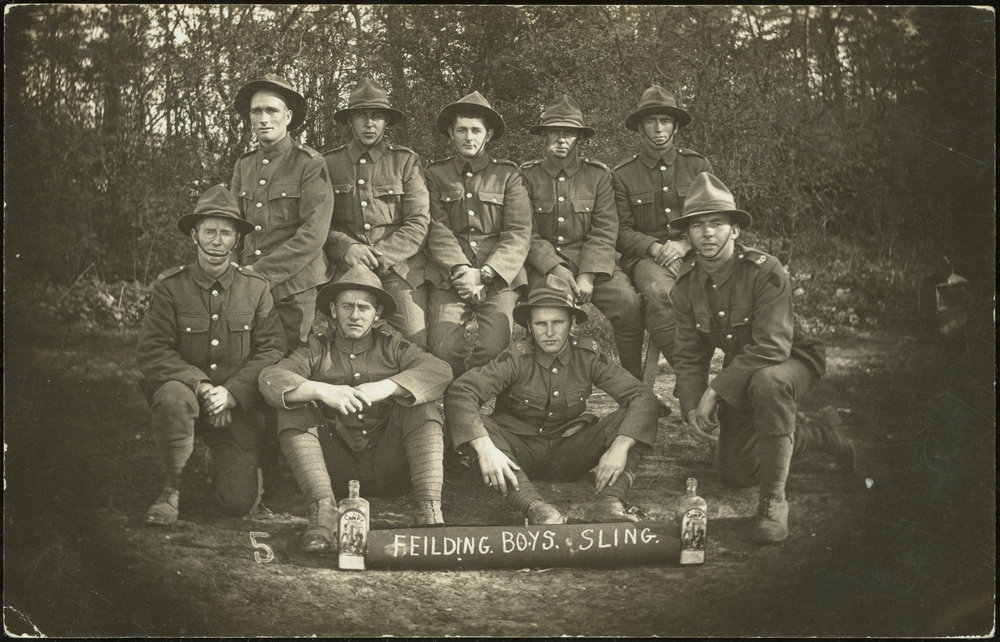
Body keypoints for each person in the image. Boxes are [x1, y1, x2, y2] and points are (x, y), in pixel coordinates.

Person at [669, 172, 854, 543]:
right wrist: (691, 407)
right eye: (698, 225)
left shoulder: (764, 269)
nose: (707, 233)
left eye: (717, 224)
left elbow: (772, 346)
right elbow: (689, 356)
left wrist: (715, 392)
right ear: (687, 234)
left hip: (792, 358)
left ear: (735, 230)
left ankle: (773, 501)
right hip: (745, 370)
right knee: (736, 472)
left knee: (769, 383)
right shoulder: (686, 286)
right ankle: (816, 433)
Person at [259, 265, 453, 552]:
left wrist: (388, 386)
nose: (355, 314)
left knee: (421, 407)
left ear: (377, 314)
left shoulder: (393, 346)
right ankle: (322, 513)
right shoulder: (317, 349)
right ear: (334, 311)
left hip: (388, 464)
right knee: (293, 404)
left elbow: (440, 370)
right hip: (335, 468)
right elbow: (270, 378)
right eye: (347, 306)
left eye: (364, 308)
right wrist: (321, 390)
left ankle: (429, 512)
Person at [445, 275, 659, 525]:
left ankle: (609, 502)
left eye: (557, 323)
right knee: (478, 427)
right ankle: (535, 508)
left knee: (633, 419)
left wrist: (620, 446)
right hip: (517, 452)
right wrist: (485, 448)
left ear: (572, 324)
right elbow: (462, 392)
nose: (548, 333)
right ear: (529, 326)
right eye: (540, 324)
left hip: (567, 453)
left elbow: (641, 396)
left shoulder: (587, 355)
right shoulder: (516, 357)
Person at [137, 185, 286, 525]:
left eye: (225, 233)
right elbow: (152, 350)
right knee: (173, 396)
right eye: (209, 232)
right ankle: (171, 489)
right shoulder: (170, 286)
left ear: (237, 240)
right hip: (187, 396)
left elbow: (272, 349)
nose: (217, 241)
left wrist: (233, 394)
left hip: (237, 407)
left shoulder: (255, 288)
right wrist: (202, 386)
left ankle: (214, 458)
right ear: (194, 235)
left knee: (237, 504)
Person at [520, 94, 644, 380]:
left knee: (628, 304)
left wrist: (588, 274)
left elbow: (604, 230)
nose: (561, 140)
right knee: (542, 310)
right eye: (555, 132)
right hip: (544, 265)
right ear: (545, 136)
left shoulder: (598, 175)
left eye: (569, 133)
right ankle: (539, 386)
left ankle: (632, 385)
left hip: (593, 264)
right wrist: (555, 268)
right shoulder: (527, 175)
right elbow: (526, 231)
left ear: (579, 138)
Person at [424, 91, 532, 377]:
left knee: (495, 347)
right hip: (450, 276)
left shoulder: (508, 175)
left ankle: (476, 400)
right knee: (443, 349)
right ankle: (457, 401)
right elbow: (436, 227)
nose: (469, 137)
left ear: (489, 134)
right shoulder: (435, 174)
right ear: (451, 133)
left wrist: (485, 273)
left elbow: (518, 232)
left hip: (497, 276)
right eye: (462, 130)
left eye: (476, 130)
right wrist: (461, 269)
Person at [324, 77, 431, 348]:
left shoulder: (405, 161)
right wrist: (346, 248)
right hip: (347, 266)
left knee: (414, 339)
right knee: (335, 338)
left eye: (377, 116)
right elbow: (319, 223)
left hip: (398, 268)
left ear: (386, 122)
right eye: (362, 116)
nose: (369, 123)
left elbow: (418, 222)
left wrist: (378, 258)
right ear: (351, 121)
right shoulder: (329, 163)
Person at [230, 73, 335, 351]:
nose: (263, 118)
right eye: (256, 111)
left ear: (287, 116)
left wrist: (258, 273)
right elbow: (232, 226)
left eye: (271, 110)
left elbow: (313, 236)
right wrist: (231, 271)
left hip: (294, 287)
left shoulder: (310, 163)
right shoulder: (244, 165)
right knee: (248, 359)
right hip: (247, 282)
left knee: (292, 364)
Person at [612, 84, 712, 368]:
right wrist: (656, 248)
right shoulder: (623, 175)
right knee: (659, 292)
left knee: (741, 280)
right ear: (640, 128)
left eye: (665, 120)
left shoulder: (697, 166)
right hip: (646, 258)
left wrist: (684, 244)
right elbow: (619, 231)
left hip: (697, 250)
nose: (658, 128)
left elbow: (714, 215)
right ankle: (689, 375)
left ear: (675, 127)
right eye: (651, 121)